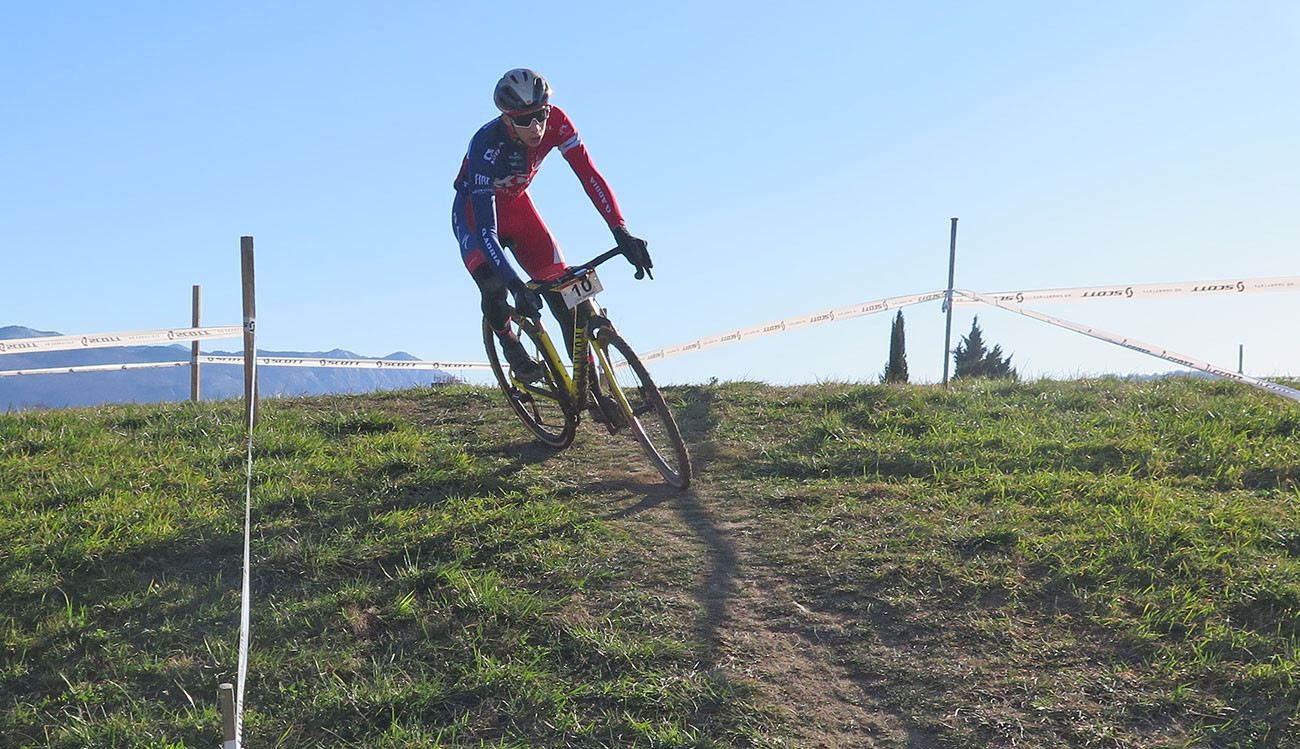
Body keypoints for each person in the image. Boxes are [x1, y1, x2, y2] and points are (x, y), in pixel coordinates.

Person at [452, 68, 652, 384]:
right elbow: (487, 232)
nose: (536, 127)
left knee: (566, 294)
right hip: (477, 216)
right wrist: (517, 287)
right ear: (507, 118)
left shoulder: (558, 121)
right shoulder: (485, 145)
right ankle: (508, 341)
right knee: (494, 286)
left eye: (540, 114)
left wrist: (621, 231)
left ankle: (590, 385)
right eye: (523, 120)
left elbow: (590, 176)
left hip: (519, 209)